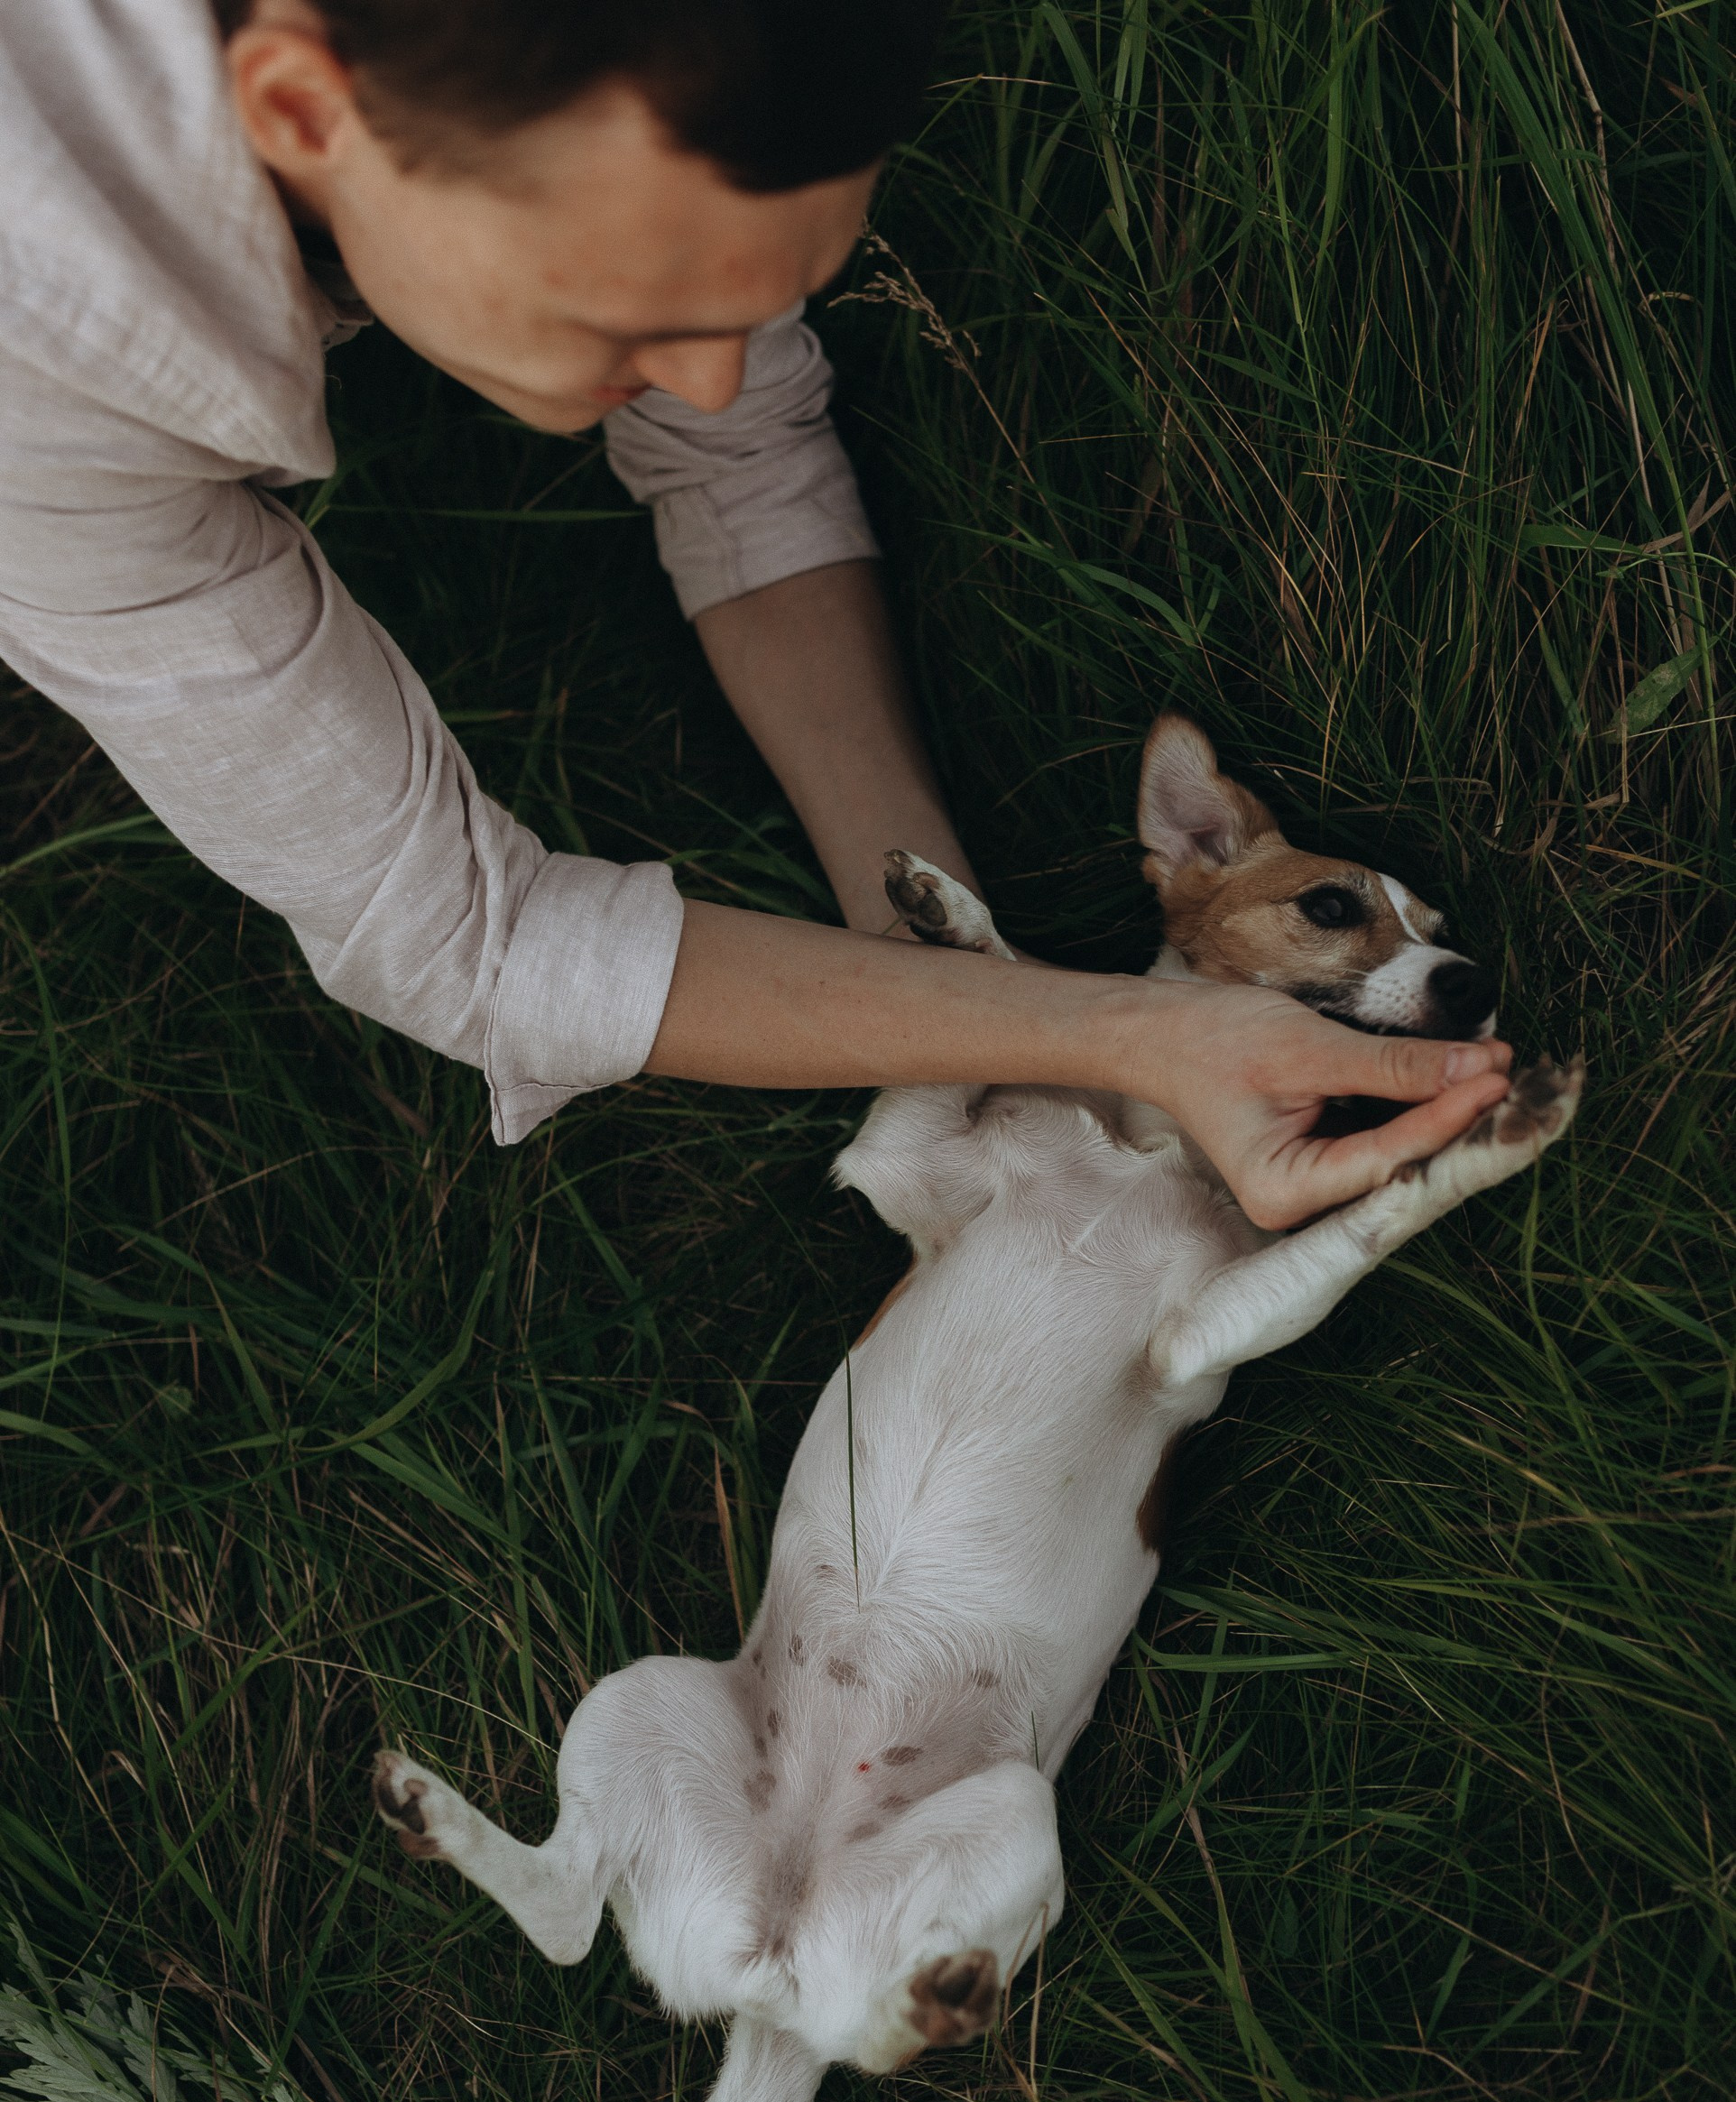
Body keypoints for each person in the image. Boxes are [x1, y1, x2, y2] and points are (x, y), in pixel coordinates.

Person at [0, 0, 1511, 1231]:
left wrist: (934, 951)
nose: (720, 386)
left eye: (763, 294)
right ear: (300, 107)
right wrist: (1131, 1032)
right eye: (631, 311)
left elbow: (747, 462)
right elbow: (471, 943)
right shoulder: (40, 396)